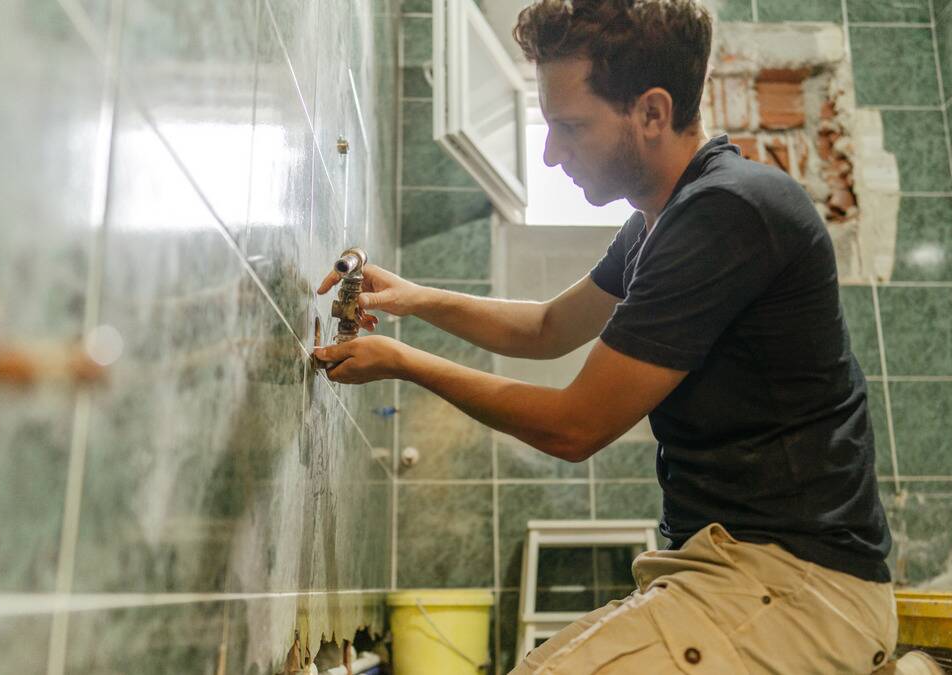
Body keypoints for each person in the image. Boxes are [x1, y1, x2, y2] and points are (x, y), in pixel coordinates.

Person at [313, 0, 896, 671]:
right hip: (728, 573)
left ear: (651, 113)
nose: (551, 152)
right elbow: (547, 328)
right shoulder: (661, 220)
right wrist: (415, 299)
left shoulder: (726, 212)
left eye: (569, 126)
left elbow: (575, 426)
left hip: (800, 590)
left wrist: (402, 361)